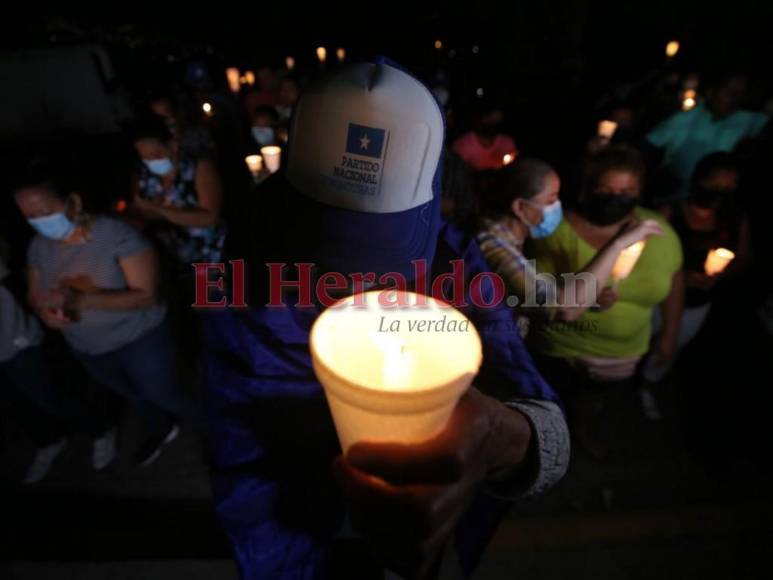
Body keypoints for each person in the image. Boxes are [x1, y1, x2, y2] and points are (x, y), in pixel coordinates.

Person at [202, 59, 569, 579]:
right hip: (295, 514)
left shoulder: (455, 262)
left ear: (433, 210)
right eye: (326, 249)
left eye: (382, 257)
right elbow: (234, 431)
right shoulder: (242, 275)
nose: (357, 285)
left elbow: (536, 411)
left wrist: (504, 437)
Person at [14, 171, 188, 467]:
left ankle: (224, 432)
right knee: (134, 395)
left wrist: (84, 298)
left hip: (140, 338)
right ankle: (161, 429)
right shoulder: (38, 248)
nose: (38, 221)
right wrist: (46, 314)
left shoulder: (117, 236)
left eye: (44, 211)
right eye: (29, 215)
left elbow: (146, 296)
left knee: (166, 394)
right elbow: (35, 296)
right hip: (90, 348)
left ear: (73, 202)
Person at [529, 146, 683, 456]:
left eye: (627, 191)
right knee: (550, 403)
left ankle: (581, 432)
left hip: (620, 356)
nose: (616, 198)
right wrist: (585, 293)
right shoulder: (556, 230)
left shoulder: (656, 230)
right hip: (561, 351)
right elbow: (536, 291)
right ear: (588, 189)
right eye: (606, 190)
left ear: (640, 191)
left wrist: (669, 334)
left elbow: (675, 279)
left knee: (591, 404)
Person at [476, 158, 662, 334]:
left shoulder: (510, 239)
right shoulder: (493, 246)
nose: (557, 208)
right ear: (519, 207)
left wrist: (588, 298)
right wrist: (617, 244)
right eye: (550, 201)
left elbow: (529, 294)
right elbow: (564, 309)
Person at [639, 152, 751, 400]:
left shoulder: (735, 220)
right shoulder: (670, 211)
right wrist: (678, 277)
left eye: (728, 187)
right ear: (699, 180)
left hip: (696, 303)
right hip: (656, 296)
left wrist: (718, 276)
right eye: (714, 184)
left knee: (669, 348)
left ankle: (646, 387)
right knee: (636, 340)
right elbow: (641, 253)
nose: (719, 192)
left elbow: (743, 258)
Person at [0, 249, 115, 483]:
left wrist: (27, 325)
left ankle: (100, 429)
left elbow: (13, 285)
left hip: (13, 338)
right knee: (12, 401)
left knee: (47, 394)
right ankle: (49, 441)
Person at [646, 73, 769, 200]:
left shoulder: (747, 120)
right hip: (675, 198)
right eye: (729, 92)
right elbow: (650, 146)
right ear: (711, 92)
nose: (734, 98)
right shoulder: (684, 118)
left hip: (719, 202)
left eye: (740, 94)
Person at [131, 114, 227, 269]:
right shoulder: (145, 175)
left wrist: (160, 209)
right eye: (146, 157)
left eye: (157, 155)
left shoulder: (199, 168)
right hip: (172, 258)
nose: (152, 161)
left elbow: (209, 217)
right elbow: (142, 211)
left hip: (211, 254)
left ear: (173, 145)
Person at [451, 100, 517, 171]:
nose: (491, 126)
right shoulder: (463, 144)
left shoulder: (507, 143)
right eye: (488, 121)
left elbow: (513, 168)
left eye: (496, 123)